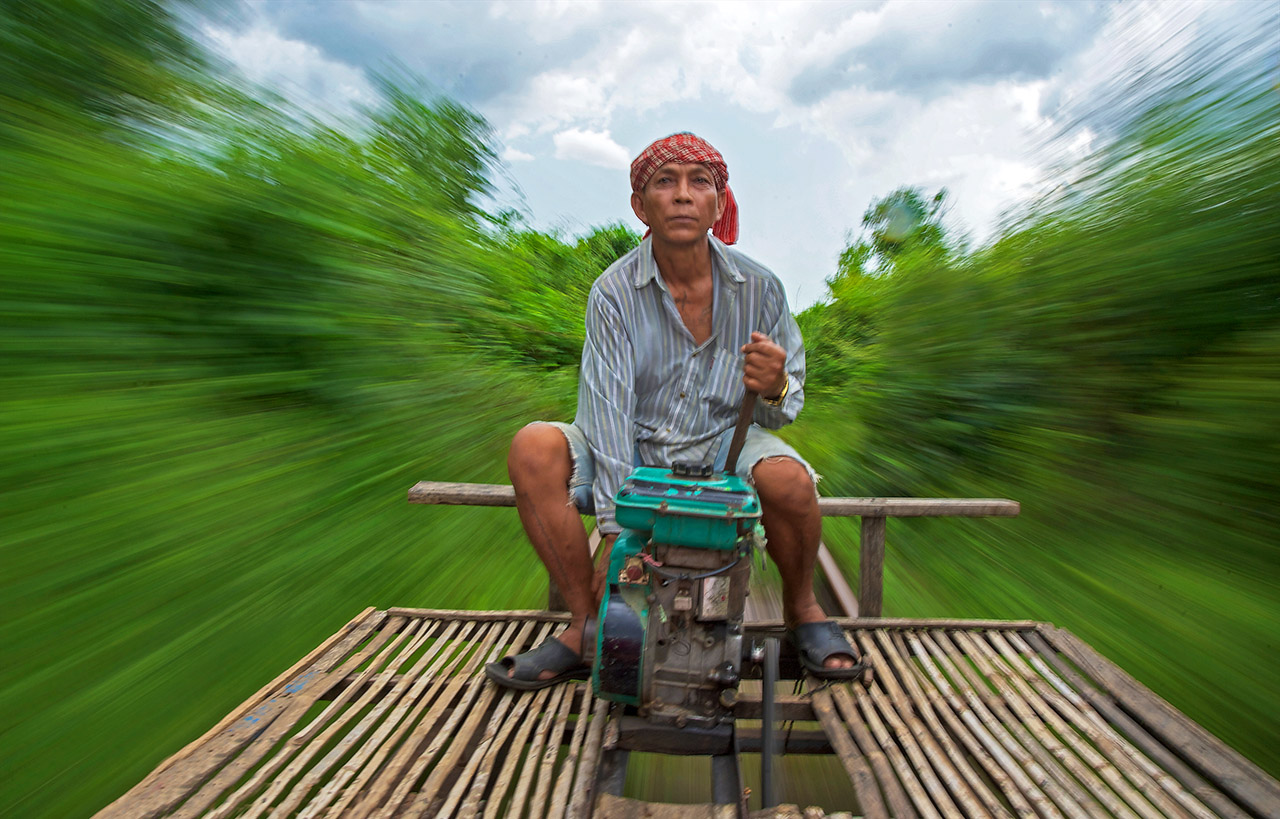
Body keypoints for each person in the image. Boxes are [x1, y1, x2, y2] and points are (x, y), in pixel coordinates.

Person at [486, 133, 861, 690]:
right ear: (641, 205)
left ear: (718, 202)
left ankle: (804, 611)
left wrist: (777, 384)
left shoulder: (760, 288)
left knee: (788, 481)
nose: (683, 195)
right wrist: (615, 527)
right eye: (665, 182)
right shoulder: (613, 292)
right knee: (532, 447)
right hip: (634, 444)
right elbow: (607, 411)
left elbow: (784, 412)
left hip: (722, 444)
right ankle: (585, 629)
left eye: (699, 182)